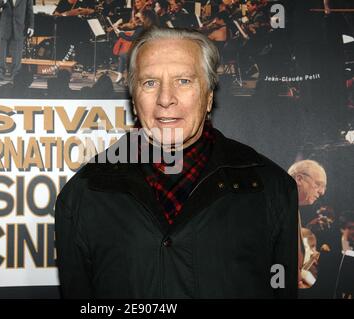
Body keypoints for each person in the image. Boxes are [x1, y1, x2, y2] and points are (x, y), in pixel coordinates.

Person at [55, 27, 298, 298]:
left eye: (184, 81)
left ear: (208, 97)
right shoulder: (84, 194)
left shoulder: (271, 188)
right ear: (134, 100)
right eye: (150, 83)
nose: (165, 99)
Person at [287, 160, 327, 290]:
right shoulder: (280, 206)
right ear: (299, 179)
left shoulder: (292, 207)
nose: (322, 192)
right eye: (318, 184)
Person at [0, 0, 34, 81]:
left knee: (17, 53)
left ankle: (15, 74)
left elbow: (30, 10)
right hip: (5, 26)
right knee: (2, 51)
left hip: (19, 26)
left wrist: (31, 26)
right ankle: (0, 73)